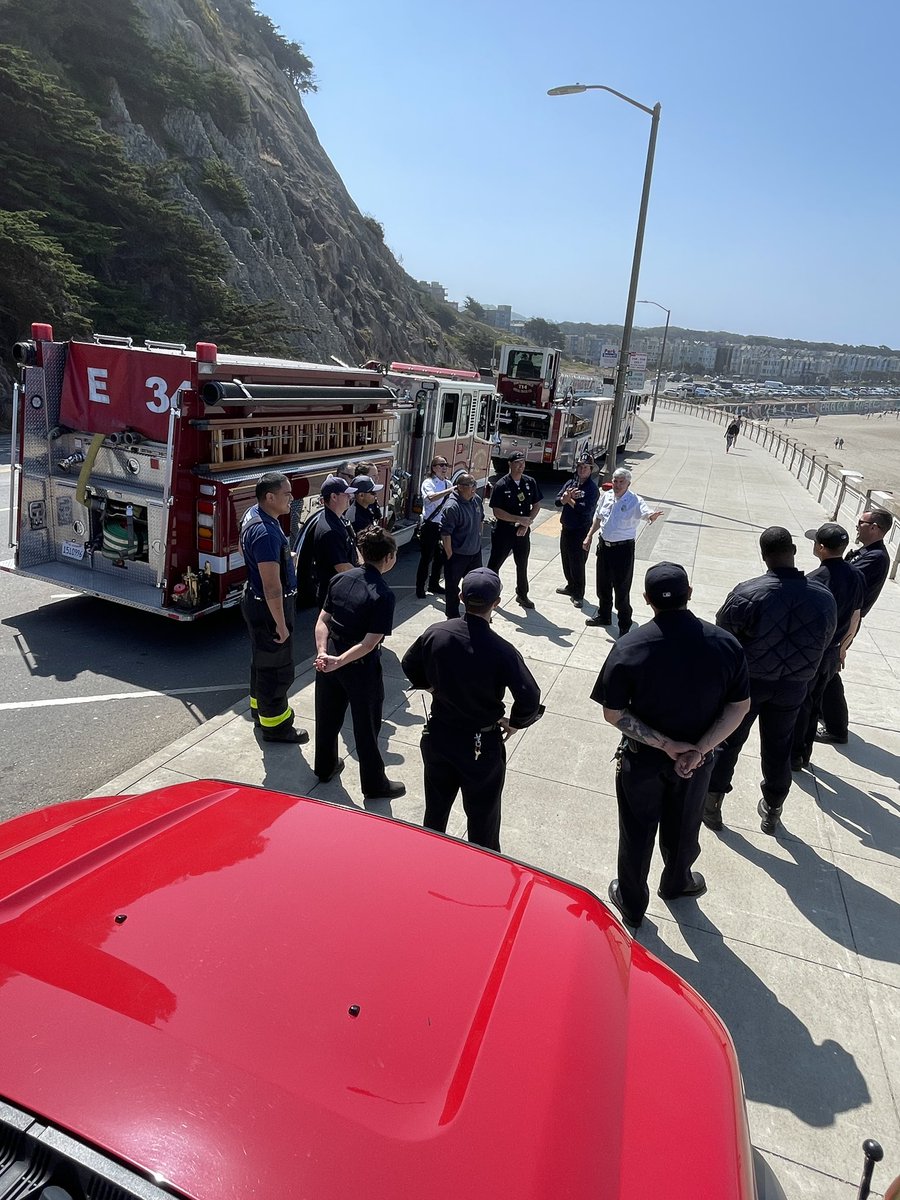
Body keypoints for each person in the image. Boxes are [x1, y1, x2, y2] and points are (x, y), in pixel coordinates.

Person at [592, 563, 750, 929]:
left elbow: (614, 713)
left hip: (643, 761)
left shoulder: (629, 646)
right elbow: (739, 707)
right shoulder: (725, 644)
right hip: (698, 761)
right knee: (685, 823)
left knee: (637, 830)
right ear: (689, 593)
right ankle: (677, 882)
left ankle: (632, 902)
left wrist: (666, 745)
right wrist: (698, 749)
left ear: (646, 599)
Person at [704, 527, 836, 835]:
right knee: (779, 746)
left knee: (728, 741)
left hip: (748, 684)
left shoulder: (748, 592)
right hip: (793, 686)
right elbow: (827, 638)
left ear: (764, 556)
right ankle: (773, 809)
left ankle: (711, 804)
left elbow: (723, 639)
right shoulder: (823, 598)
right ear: (794, 551)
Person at [401, 567, 544, 852]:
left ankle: (428, 860)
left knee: (435, 811)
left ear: (460, 597)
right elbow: (529, 696)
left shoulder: (436, 632)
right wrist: (516, 722)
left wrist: (432, 688)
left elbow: (409, 663)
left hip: (439, 735)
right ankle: (482, 868)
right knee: (483, 820)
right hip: (480, 745)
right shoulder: (502, 650)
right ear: (497, 603)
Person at [313, 527, 405, 801]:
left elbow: (322, 621)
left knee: (327, 718)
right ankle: (374, 784)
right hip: (359, 667)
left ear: (360, 552)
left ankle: (325, 767)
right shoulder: (383, 595)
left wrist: (324, 654)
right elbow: (369, 643)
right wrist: (340, 661)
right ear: (388, 557)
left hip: (329, 658)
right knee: (366, 726)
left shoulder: (339, 579)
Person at [239, 472, 308, 744]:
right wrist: (280, 623)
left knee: (261, 663)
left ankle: (260, 711)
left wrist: (282, 558)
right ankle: (276, 726)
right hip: (269, 609)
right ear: (269, 497)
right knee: (277, 669)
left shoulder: (253, 515)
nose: (291, 498)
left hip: (256, 602)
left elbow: (251, 557)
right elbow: (271, 586)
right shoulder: (266, 532)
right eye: (286, 494)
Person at [818, 509, 893, 744]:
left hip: (846, 620)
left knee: (829, 672)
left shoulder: (876, 557)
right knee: (826, 669)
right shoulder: (866, 552)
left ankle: (837, 728)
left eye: (861, 522)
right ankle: (823, 711)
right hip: (841, 617)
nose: (857, 525)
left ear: (875, 528)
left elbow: (844, 579)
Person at [791, 523, 863, 769]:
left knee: (801, 705)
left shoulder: (813, 580)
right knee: (815, 703)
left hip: (811, 654)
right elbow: (855, 617)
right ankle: (805, 753)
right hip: (833, 652)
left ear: (821, 548)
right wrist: (843, 648)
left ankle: (795, 756)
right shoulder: (856, 575)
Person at [583, 467, 663, 633]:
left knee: (621, 589)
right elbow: (598, 518)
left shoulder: (634, 500)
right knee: (602, 585)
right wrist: (589, 536)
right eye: (615, 481)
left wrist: (651, 516)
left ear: (628, 484)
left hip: (623, 550)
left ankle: (624, 625)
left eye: (621, 482)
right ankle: (604, 615)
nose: (617, 485)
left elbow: (645, 512)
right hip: (604, 547)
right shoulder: (607, 496)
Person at [487, 450, 543, 609]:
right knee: (494, 565)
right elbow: (497, 511)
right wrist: (518, 519)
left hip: (522, 532)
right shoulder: (501, 485)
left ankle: (522, 594)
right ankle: (490, 595)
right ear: (509, 464)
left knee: (522, 564)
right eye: (517, 463)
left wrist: (525, 524)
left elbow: (536, 504)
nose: (520, 466)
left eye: (522, 463)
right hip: (504, 531)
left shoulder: (530, 482)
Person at [554, 454, 599, 608]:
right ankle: (570, 586)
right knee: (566, 560)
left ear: (591, 470)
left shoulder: (592, 489)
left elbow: (585, 510)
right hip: (566, 528)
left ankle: (578, 594)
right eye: (580, 466)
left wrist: (569, 500)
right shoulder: (570, 483)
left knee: (577, 563)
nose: (582, 470)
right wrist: (564, 499)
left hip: (580, 531)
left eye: (585, 467)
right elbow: (557, 500)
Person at [441, 473, 484, 618]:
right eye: (470, 486)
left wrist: (478, 540)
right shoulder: (452, 507)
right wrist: (450, 554)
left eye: (474, 485)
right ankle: (452, 616)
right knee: (452, 588)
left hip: (474, 553)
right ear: (459, 487)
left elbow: (480, 520)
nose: (474, 489)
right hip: (457, 555)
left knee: (476, 585)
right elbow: (446, 534)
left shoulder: (476, 500)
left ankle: (476, 614)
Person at [312, 478, 359, 607]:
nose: (350, 497)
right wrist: (364, 577)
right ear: (333, 497)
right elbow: (342, 567)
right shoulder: (330, 530)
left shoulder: (339, 519)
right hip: (335, 595)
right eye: (346, 494)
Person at [416, 456, 453, 599]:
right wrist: (449, 491)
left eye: (446, 465)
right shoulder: (429, 482)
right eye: (441, 465)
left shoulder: (448, 483)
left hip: (443, 524)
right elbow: (431, 497)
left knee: (441, 556)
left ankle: (434, 584)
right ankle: (420, 587)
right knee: (426, 558)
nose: (444, 468)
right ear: (434, 468)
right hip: (430, 524)